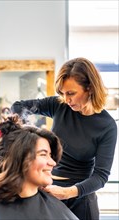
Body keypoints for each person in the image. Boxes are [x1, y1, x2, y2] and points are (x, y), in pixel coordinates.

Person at [11, 57, 117, 220]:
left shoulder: (107, 126)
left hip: (80, 200)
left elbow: (100, 177)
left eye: (71, 93)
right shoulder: (59, 105)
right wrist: (30, 135)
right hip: (48, 192)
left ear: (89, 88)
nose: (66, 100)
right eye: (62, 93)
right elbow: (18, 107)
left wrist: (67, 193)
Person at [0, 114, 79, 220]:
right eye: (43, 154)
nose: (53, 163)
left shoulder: (53, 204)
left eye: (50, 155)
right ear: (19, 159)